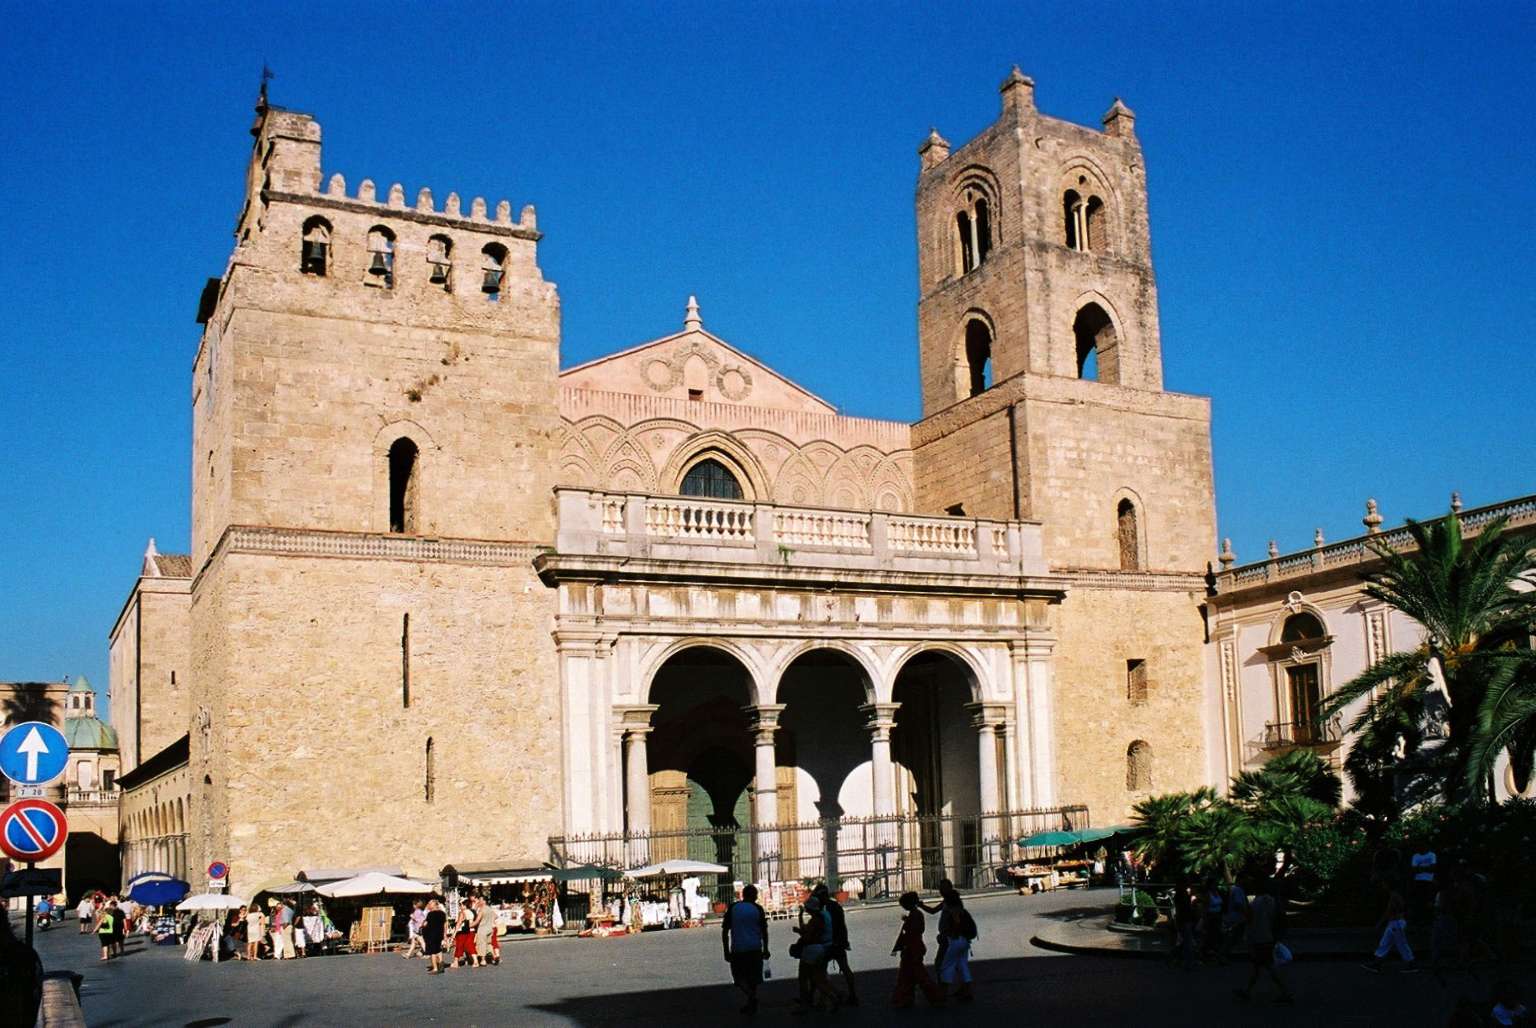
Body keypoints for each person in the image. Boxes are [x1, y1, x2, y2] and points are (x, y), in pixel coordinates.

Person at [1234, 878, 1293, 1005]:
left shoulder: (1255, 903)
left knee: (1266, 966)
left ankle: (1285, 991)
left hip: (1259, 938)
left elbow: (1250, 919)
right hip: (1268, 937)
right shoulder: (1272, 901)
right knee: (1259, 966)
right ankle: (1247, 991)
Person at [722, 884, 770, 1015]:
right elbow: (764, 930)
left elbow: (725, 930)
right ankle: (752, 999)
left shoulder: (733, 908)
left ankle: (751, 1000)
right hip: (755, 948)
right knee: (753, 978)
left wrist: (726, 950)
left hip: (738, 948)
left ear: (743, 895)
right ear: (754, 896)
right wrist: (766, 948)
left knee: (739, 977)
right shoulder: (758, 909)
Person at [891, 892, 944, 1008]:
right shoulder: (915, 914)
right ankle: (907, 998)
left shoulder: (915, 916)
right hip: (913, 948)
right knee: (909, 975)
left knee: (917, 976)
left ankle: (933, 997)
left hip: (912, 949)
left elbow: (911, 933)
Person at [812, 884, 858, 1006]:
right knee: (845, 968)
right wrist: (844, 941)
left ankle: (825, 998)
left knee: (820, 971)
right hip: (839, 942)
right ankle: (852, 994)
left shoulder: (822, 909)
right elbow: (842, 926)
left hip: (827, 943)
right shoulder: (836, 906)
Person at [793, 895, 839, 1014]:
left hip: (811, 950)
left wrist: (799, 932)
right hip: (820, 949)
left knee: (803, 978)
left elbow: (807, 936)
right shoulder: (823, 917)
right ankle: (832, 996)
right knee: (818, 977)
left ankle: (805, 1004)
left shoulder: (815, 921)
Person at [1362, 887, 1417, 973]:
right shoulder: (1398, 896)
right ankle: (1377, 963)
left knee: (1398, 944)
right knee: (1387, 943)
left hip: (1395, 923)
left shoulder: (1394, 896)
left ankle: (1411, 964)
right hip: (1395, 923)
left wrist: (1380, 922)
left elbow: (1389, 910)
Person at [936, 893, 976, 1003]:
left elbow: (956, 926)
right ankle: (967, 991)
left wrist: (947, 935)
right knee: (963, 966)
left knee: (946, 967)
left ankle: (942, 995)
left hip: (956, 942)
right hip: (965, 942)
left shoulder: (954, 912)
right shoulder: (963, 911)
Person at [1171, 880, 1197, 970]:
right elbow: (1184, 908)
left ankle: (1179, 959)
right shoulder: (1181, 895)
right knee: (1186, 941)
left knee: (1183, 940)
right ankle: (1185, 961)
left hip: (1183, 919)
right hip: (1184, 919)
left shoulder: (1182, 894)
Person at [1223, 879, 1248, 956]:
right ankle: (1224, 953)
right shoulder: (1237, 890)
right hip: (1236, 917)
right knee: (1233, 935)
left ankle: (1227, 953)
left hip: (1237, 916)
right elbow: (1238, 904)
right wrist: (1246, 913)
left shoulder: (1236, 889)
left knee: (1235, 935)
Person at [423, 898, 448, 975]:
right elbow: (445, 924)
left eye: (429, 904)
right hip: (439, 934)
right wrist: (445, 934)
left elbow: (425, 924)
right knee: (438, 949)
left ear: (433, 905)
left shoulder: (430, 914)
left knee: (432, 952)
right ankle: (441, 963)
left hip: (431, 934)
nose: (428, 906)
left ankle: (435, 968)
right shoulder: (442, 913)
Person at [473, 897, 496, 969]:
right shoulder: (490, 909)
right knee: (489, 944)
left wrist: (469, 925)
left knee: (481, 944)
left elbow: (477, 921)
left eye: (480, 900)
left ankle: (483, 960)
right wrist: (489, 921)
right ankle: (494, 957)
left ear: (484, 901)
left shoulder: (482, 910)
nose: (478, 902)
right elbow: (496, 916)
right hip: (489, 928)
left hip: (482, 929)